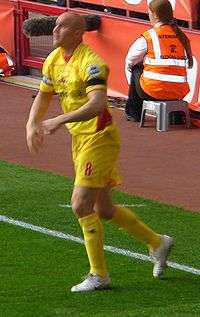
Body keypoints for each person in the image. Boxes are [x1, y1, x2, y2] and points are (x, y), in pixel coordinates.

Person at [26, 12, 173, 293]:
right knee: (103, 209)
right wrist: (31, 123)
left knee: (80, 205)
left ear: (79, 32)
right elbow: (44, 95)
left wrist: (57, 121)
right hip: (80, 140)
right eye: (55, 25)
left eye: (63, 26)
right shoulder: (54, 59)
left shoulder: (92, 63)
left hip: (99, 139)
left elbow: (97, 105)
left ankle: (99, 275)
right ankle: (157, 242)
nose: (55, 30)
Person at [125, 0, 193, 123]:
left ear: (155, 15)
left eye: (149, 12)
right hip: (179, 91)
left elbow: (130, 61)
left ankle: (134, 113)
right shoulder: (181, 36)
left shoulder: (149, 36)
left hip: (153, 91)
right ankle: (175, 115)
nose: (148, 15)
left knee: (136, 68)